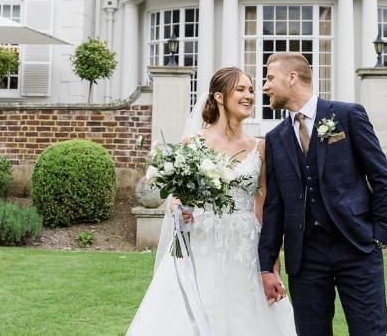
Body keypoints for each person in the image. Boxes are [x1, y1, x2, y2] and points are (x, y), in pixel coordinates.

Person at [127, 67, 297, 335]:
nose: (249, 96)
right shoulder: (194, 142)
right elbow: (177, 198)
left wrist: (271, 267)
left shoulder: (259, 147)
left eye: (251, 90)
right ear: (219, 96)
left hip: (245, 248)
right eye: (240, 89)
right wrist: (178, 210)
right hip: (202, 243)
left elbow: (263, 208)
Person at [258, 52, 387, 336]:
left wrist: (379, 234)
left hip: (356, 245)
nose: (265, 87)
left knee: (370, 331)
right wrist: (266, 266)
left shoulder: (347, 115)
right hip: (305, 256)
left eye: (270, 78)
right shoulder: (275, 138)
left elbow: (381, 176)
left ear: (292, 78)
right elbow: (274, 207)